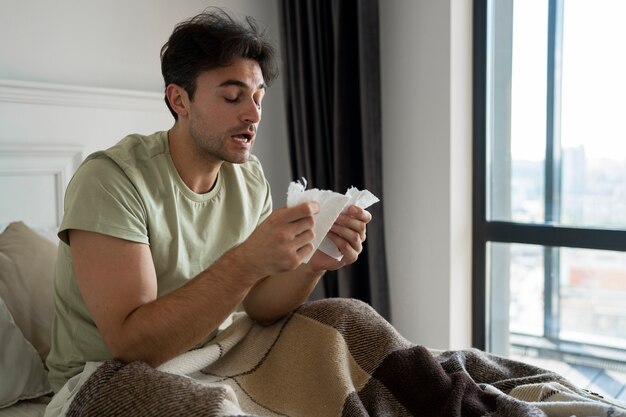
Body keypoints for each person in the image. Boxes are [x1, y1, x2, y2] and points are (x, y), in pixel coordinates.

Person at [45, 8, 372, 394]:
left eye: (257, 97)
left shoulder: (248, 179)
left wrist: (312, 264)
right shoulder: (111, 181)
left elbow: (258, 305)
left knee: (350, 320)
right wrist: (247, 259)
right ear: (179, 100)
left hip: (212, 357)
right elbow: (132, 347)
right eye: (233, 97)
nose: (253, 114)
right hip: (107, 379)